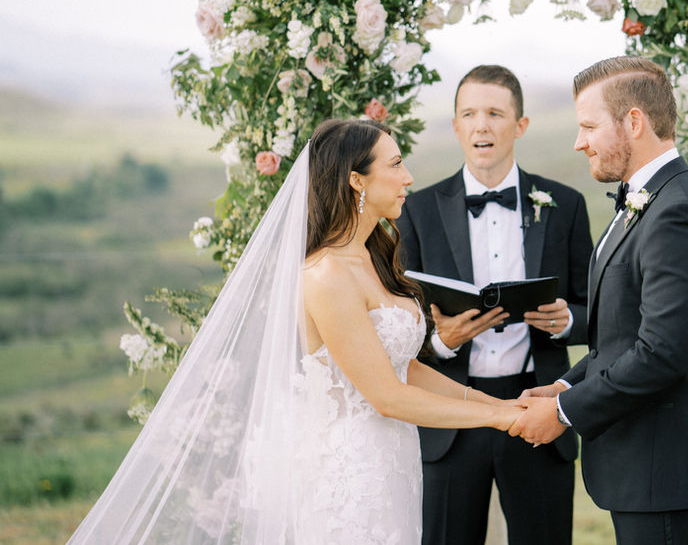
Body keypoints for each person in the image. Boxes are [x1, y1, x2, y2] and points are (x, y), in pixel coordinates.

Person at [68, 119, 522, 544]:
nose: (409, 177)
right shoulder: (326, 274)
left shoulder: (373, 257)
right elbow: (387, 396)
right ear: (356, 179)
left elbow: (406, 371)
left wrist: (499, 404)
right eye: (397, 164)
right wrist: (502, 419)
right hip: (348, 475)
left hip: (392, 463)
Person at [509, 57, 688, 544]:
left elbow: (661, 355)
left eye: (589, 126)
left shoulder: (679, 212)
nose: (579, 142)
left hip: (672, 474)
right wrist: (562, 387)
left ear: (634, 122)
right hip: (650, 472)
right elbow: (619, 339)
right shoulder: (647, 201)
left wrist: (563, 413)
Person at [396, 65, 592, 545]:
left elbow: (598, 312)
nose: (481, 125)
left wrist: (568, 322)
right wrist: (441, 342)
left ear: (520, 125)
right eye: (469, 114)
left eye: (495, 113)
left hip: (537, 412)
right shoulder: (416, 211)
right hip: (449, 418)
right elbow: (395, 325)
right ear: (456, 126)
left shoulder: (564, 204)